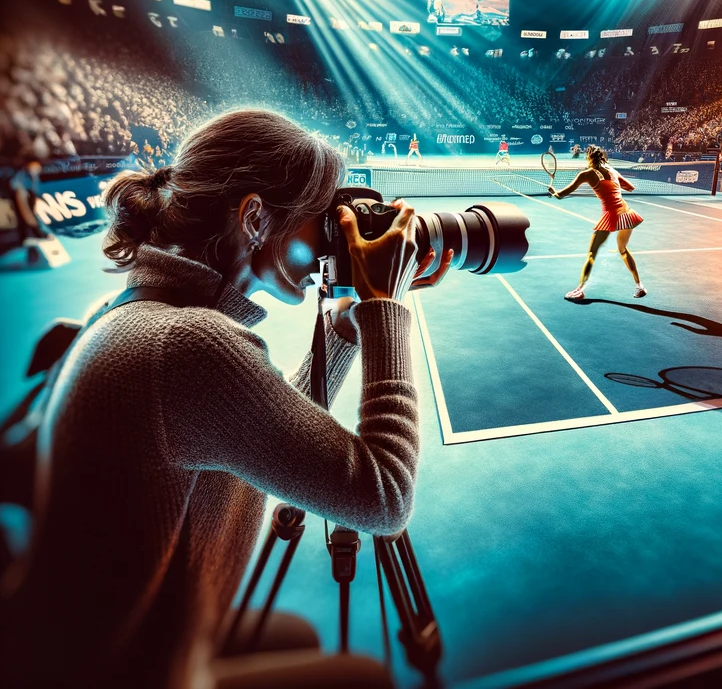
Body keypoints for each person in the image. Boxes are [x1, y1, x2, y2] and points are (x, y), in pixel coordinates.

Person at [0, 109, 452, 689]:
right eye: (321, 223)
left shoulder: (144, 311)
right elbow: (383, 497)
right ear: (256, 219)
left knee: (303, 639)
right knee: (363, 676)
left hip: (98, 639)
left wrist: (343, 320)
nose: (327, 246)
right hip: (129, 668)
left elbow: (254, 424)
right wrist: (387, 308)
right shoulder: (188, 345)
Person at [549, 144, 646, 300]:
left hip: (611, 215)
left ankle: (579, 290)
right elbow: (631, 187)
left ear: (588, 158)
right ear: (602, 157)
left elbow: (562, 195)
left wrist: (553, 192)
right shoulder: (613, 171)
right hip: (626, 212)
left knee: (592, 253)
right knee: (623, 249)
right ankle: (639, 285)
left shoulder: (586, 174)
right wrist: (615, 184)